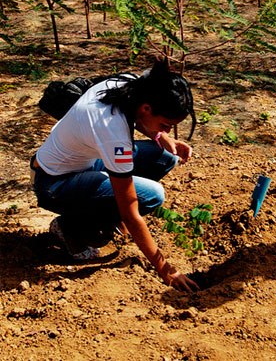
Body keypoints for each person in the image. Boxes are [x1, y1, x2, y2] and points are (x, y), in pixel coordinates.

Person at [30, 58, 199, 292]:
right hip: (54, 184)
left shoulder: (131, 84)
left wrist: (162, 137)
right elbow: (131, 211)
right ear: (147, 108)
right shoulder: (113, 133)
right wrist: (165, 269)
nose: (168, 130)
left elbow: (138, 118)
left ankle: (102, 214)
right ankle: (71, 229)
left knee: (165, 156)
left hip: (78, 162)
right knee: (151, 195)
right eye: (165, 124)